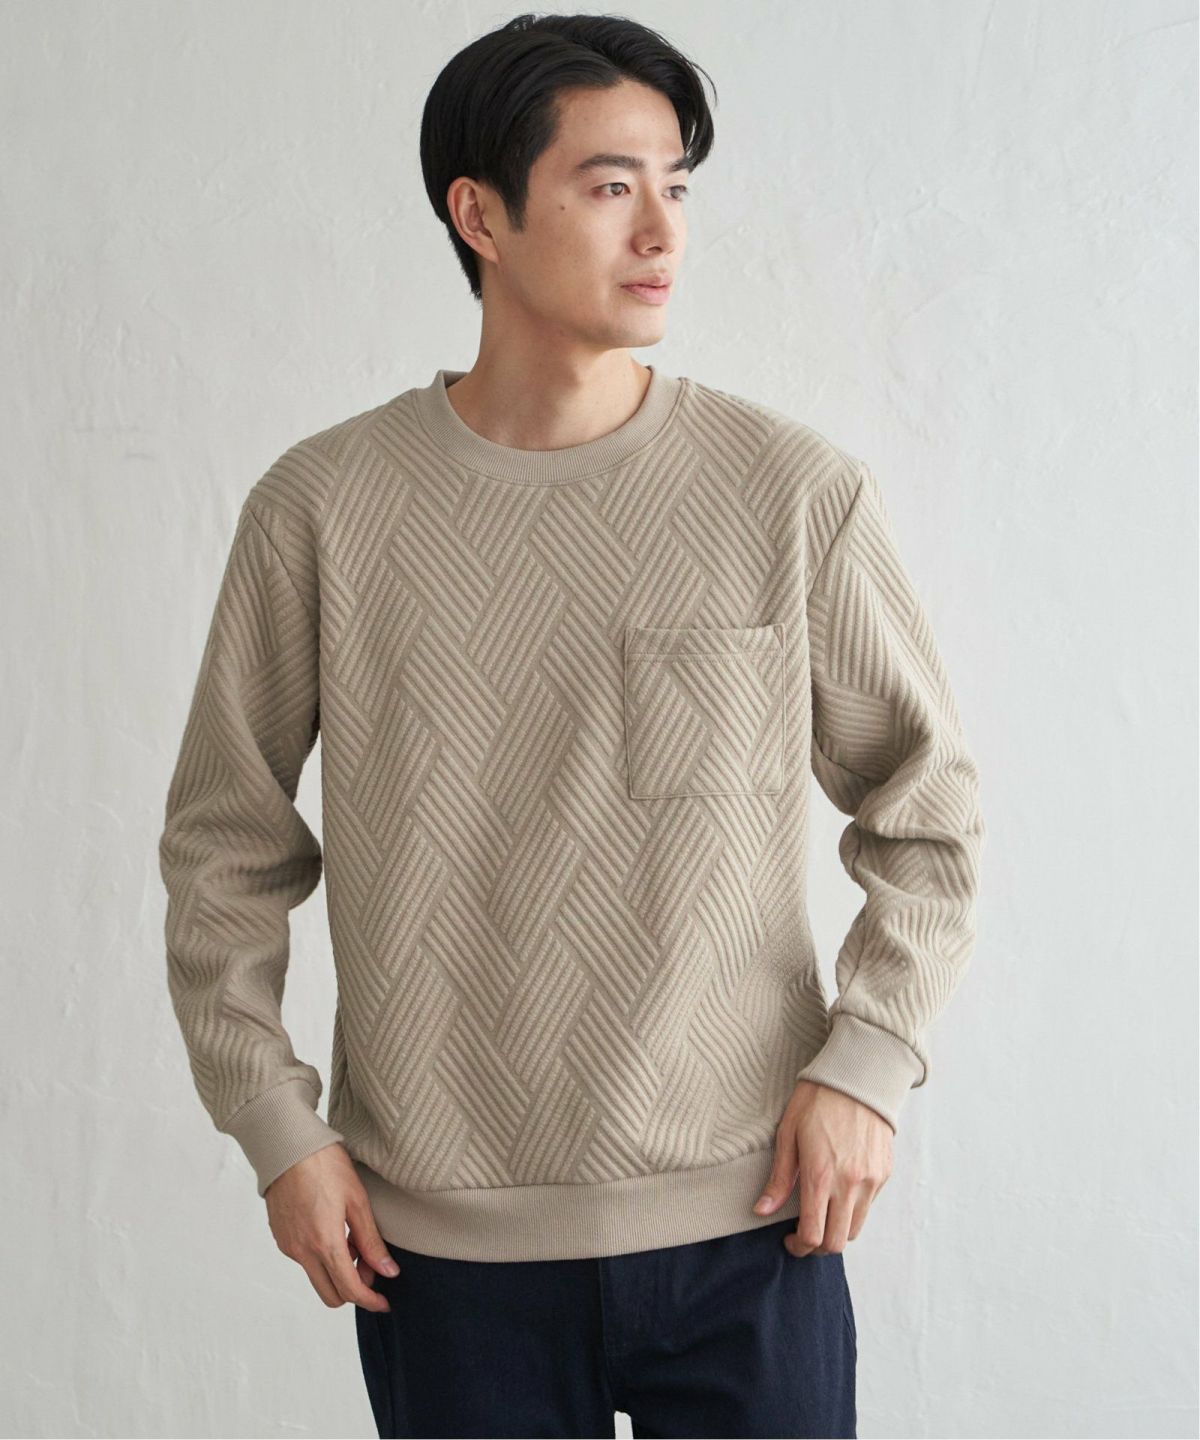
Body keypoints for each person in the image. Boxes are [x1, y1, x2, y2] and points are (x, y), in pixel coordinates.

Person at [158, 12, 986, 1439]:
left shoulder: (788, 493)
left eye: (677, 184)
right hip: (440, 1253)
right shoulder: (323, 510)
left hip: (753, 1223)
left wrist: (868, 1064)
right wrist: (277, 1130)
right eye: (610, 186)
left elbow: (930, 812)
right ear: (478, 215)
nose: (662, 230)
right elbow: (220, 849)